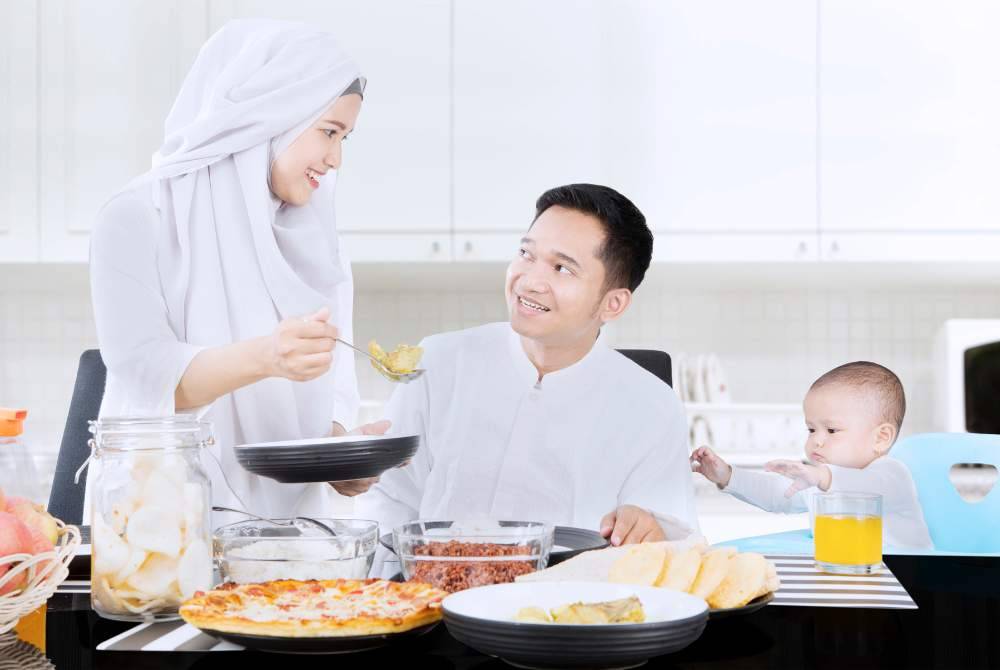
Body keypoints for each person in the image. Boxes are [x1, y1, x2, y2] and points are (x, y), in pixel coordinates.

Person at [89, 19, 382, 521]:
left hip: (294, 542)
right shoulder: (136, 216)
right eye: (329, 132)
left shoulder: (318, 241)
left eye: (345, 138)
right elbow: (147, 380)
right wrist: (266, 356)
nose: (335, 159)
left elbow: (331, 392)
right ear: (269, 116)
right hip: (163, 528)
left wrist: (341, 454)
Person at [353, 184, 700, 547]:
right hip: (432, 594)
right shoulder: (437, 363)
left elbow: (673, 540)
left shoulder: (652, 408)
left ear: (612, 304)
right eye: (526, 253)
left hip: (570, 598)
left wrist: (650, 531)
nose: (531, 281)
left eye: (563, 268)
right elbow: (388, 500)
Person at [691, 361, 933, 549]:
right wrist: (727, 475)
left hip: (909, 581)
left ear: (880, 438)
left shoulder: (892, 475)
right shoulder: (821, 480)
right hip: (847, 577)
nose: (816, 439)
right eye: (811, 429)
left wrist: (820, 477)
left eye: (831, 430)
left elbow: (861, 487)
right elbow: (777, 494)